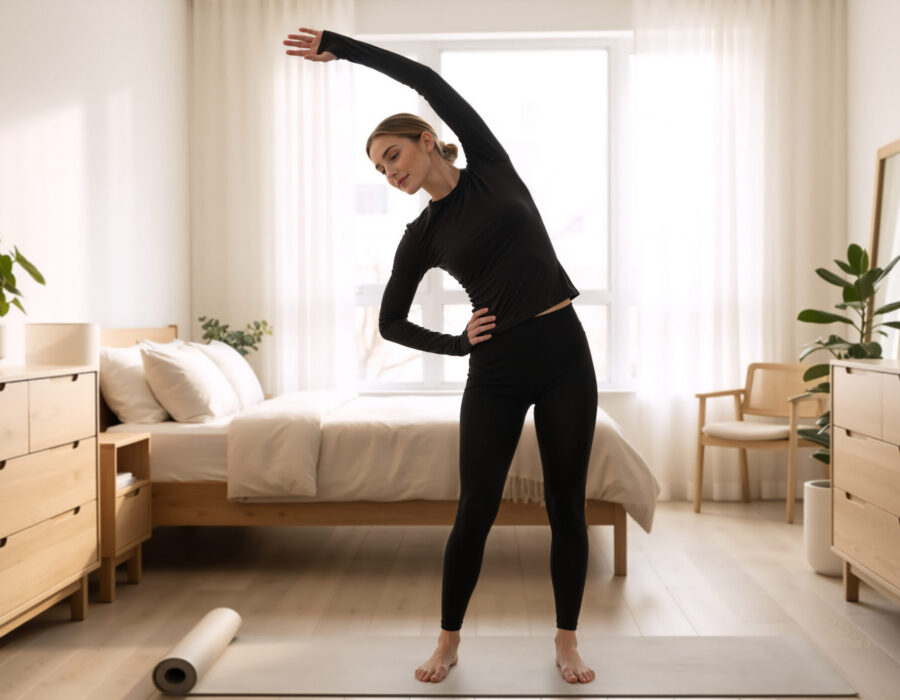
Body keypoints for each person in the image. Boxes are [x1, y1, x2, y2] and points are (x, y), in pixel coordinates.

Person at [284, 27, 598, 685]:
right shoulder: (421, 233)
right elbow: (392, 321)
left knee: (566, 504)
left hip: (565, 351)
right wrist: (457, 343)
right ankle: (448, 640)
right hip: (497, 371)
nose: (389, 172)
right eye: (378, 169)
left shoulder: (489, 166)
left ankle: (567, 639)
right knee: (475, 507)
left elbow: (426, 83)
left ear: (427, 142)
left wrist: (343, 47)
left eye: (393, 155)